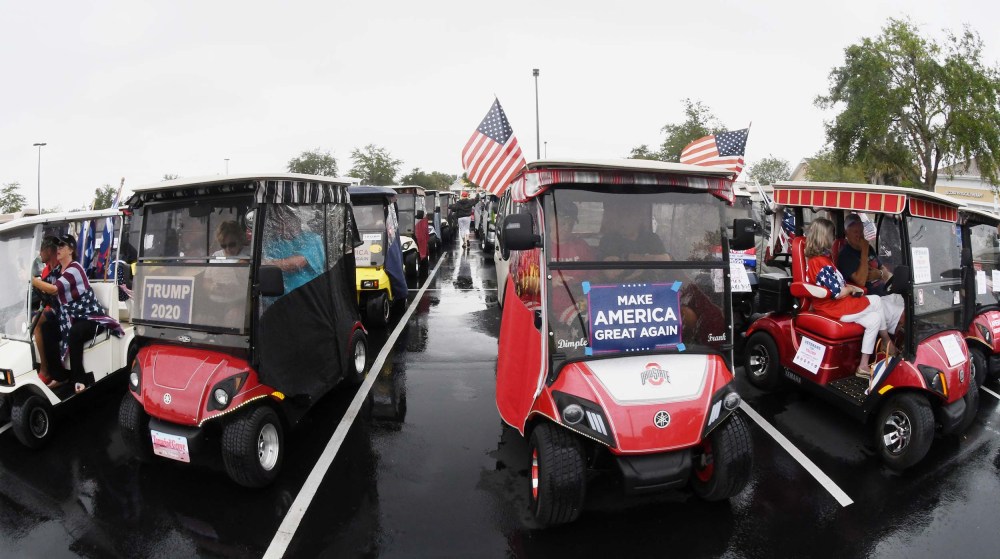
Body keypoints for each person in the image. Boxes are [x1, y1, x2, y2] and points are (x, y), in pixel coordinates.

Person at [33, 234, 125, 393]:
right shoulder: (58, 271)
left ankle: (79, 379)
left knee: (75, 333)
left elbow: (54, 289)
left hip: (90, 317)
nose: (58, 249)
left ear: (71, 250)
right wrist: (34, 282)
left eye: (62, 246)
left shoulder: (75, 269)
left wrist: (32, 280)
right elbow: (46, 283)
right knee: (47, 328)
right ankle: (59, 375)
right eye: (57, 246)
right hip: (70, 317)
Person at [805, 218, 896, 377]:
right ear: (824, 237)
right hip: (832, 307)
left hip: (836, 304)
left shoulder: (824, 260)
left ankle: (863, 366)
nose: (834, 239)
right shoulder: (819, 263)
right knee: (876, 300)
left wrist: (851, 288)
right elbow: (837, 292)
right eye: (831, 235)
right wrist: (851, 288)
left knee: (874, 319)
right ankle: (887, 342)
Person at [262, 206, 326, 294]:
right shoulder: (274, 244)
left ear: (297, 221)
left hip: (305, 296)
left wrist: (265, 263)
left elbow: (297, 263)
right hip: (276, 298)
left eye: (287, 221)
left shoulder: (312, 239)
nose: (284, 227)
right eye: (279, 223)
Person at [31, 236, 62, 383]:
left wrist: (33, 281)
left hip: (61, 310)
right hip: (49, 307)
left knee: (36, 321)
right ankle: (33, 363)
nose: (40, 253)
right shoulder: (45, 271)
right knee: (21, 319)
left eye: (41, 250)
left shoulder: (61, 269)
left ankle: (45, 369)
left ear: (49, 250)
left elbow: (54, 291)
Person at [838, 214, 891, 295]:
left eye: (861, 231)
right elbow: (861, 281)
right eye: (855, 232)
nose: (859, 236)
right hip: (868, 298)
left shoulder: (869, 248)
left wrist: (880, 274)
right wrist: (864, 250)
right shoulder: (845, 255)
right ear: (846, 233)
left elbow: (885, 272)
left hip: (884, 292)